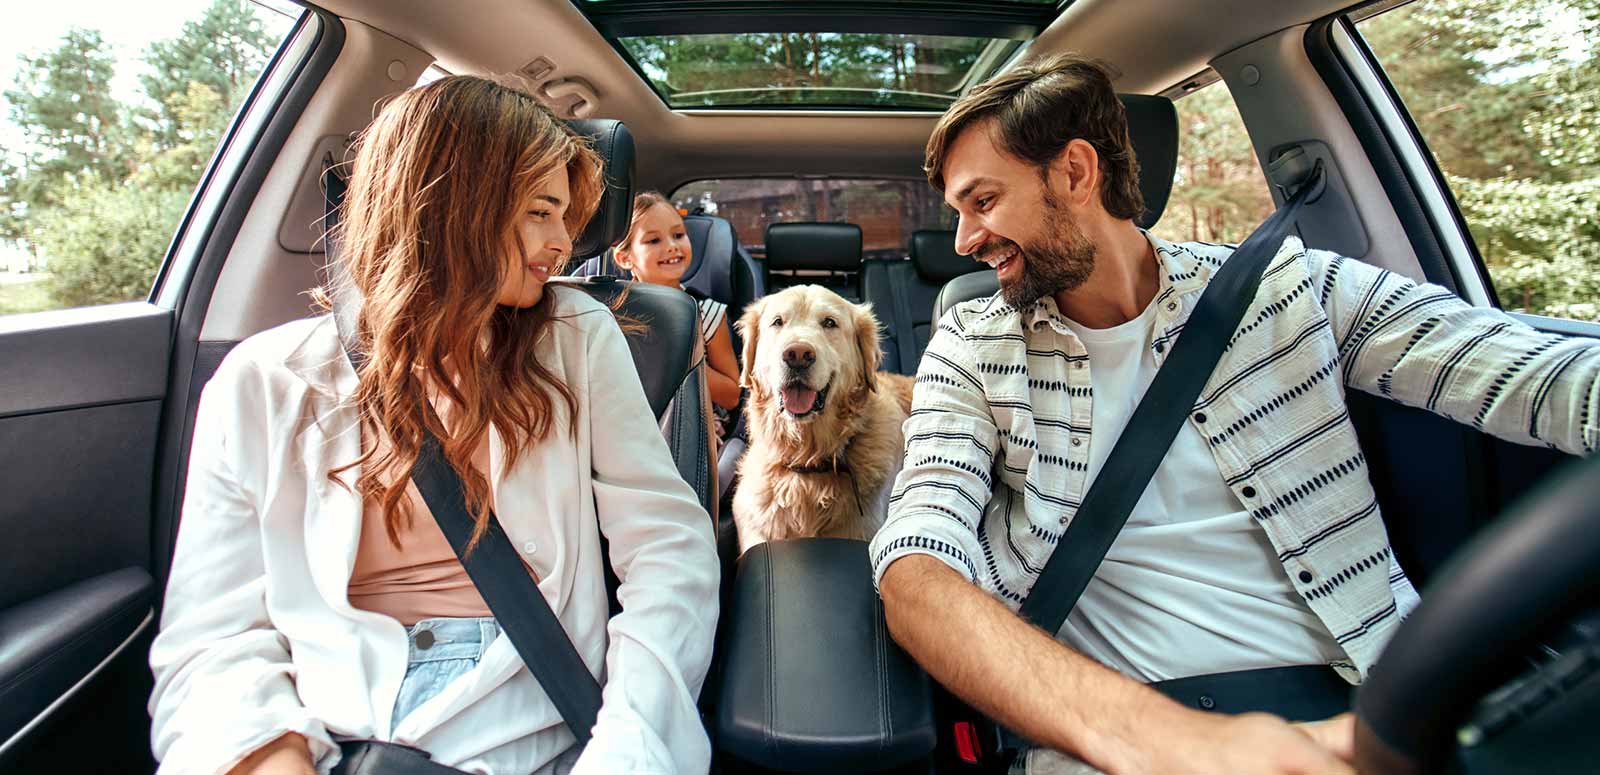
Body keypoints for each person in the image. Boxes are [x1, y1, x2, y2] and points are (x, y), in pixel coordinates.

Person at [870, 53, 1598, 775]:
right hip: (1120, 733)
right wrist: (1166, 741)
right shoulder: (971, 344)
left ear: (1075, 173)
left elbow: (1531, 373)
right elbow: (917, 565)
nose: (964, 241)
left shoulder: (1290, 287)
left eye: (983, 202)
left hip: (1375, 704)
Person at [148, 76, 720, 775]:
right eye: (542, 212)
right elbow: (212, 636)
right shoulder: (262, 381)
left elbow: (668, 551)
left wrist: (629, 746)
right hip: (332, 727)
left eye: (567, 217)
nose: (564, 244)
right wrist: (269, 753)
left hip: (532, 724)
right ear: (455, 204)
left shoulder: (577, 336)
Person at [613, 191, 743, 414]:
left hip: (690, 426)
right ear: (625, 258)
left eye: (679, 235)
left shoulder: (708, 314)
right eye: (654, 240)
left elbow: (731, 396)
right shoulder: (612, 314)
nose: (672, 246)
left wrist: (677, 360)